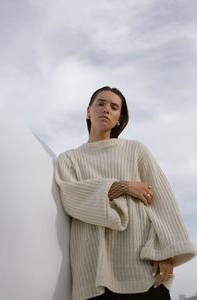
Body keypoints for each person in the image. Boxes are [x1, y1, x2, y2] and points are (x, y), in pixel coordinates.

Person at [54, 86, 196, 300]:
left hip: (143, 266)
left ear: (120, 118)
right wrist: (122, 187)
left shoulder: (135, 150)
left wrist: (169, 253)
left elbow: (163, 201)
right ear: (88, 111)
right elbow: (71, 197)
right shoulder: (69, 159)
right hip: (93, 270)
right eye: (100, 103)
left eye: (114, 107)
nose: (106, 110)